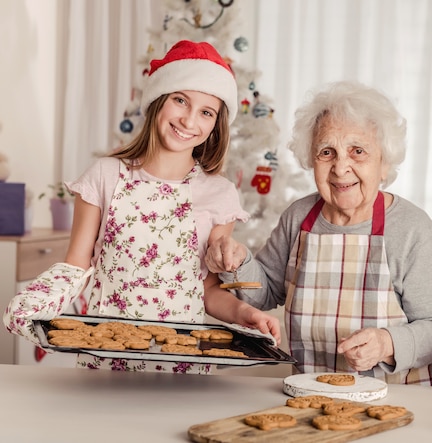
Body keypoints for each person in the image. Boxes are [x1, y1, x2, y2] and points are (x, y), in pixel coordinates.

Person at [3, 40, 280, 374]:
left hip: (183, 363)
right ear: (159, 100)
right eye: (180, 100)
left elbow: (206, 289)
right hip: (104, 357)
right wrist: (34, 304)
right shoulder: (105, 175)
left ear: (215, 126)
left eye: (206, 112)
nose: (189, 120)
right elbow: (76, 266)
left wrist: (245, 314)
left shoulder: (220, 194)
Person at [205, 81, 432, 384]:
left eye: (358, 151)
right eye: (327, 152)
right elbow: (266, 292)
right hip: (312, 394)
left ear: (384, 163)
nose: (340, 168)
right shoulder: (299, 217)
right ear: (311, 160)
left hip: (398, 399)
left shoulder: (412, 228)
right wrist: (240, 260)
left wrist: (387, 344)